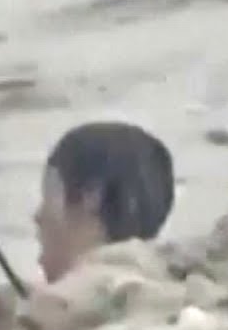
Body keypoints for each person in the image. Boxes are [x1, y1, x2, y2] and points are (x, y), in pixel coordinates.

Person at [34, 121, 176, 285]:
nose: (38, 216)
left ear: (91, 197)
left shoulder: (66, 303)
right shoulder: (171, 286)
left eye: (49, 194)